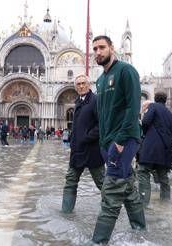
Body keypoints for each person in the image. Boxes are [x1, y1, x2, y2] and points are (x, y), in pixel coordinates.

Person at [87, 35, 146, 245]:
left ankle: (98, 241)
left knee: (111, 189)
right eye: (94, 49)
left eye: (102, 47)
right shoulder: (101, 80)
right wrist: (103, 142)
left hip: (125, 139)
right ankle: (140, 229)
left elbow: (133, 108)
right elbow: (103, 114)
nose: (98, 52)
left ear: (111, 48)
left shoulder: (126, 71)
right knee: (127, 185)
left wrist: (119, 141)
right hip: (107, 142)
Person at [61, 74, 105, 214]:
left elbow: (102, 124)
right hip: (77, 151)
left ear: (89, 84)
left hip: (92, 150)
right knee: (70, 181)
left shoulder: (96, 100)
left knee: (101, 182)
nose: (81, 86)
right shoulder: (78, 102)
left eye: (83, 83)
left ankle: (112, 208)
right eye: (78, 84)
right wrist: (74, 141)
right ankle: (66, 213)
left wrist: (86, 137)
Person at [137, 91, 172, 208]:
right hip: (165, 151)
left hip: (151, 147)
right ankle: (165, 204)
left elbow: (145, 121)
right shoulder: (171, 115)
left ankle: (144, 204)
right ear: (165, 100)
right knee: (163, 178)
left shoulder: (153, 106)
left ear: (155, 99)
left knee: (143, 172)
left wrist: (147, 133)